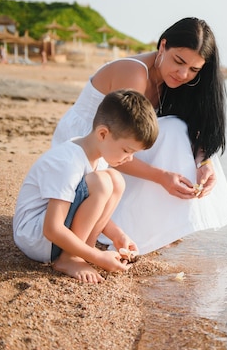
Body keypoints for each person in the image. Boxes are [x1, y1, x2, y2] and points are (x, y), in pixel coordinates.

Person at [52, 17, 227, 255]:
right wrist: (162, 177)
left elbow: (194, 128)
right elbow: (114, 144)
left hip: (120, 148)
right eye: (178, 61)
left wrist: (203, 162)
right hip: (85, 144)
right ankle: (130, 225)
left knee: (180, 129)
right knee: (173, 131)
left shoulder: (176, 83)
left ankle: (157, 225)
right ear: (162, 46)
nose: (182, 74)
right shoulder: (135, 73)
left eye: (193, 69)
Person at [13, 90, 159, 283]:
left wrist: (118, 235)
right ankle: (70, 258)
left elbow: (89, 206)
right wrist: (97, 257)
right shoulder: (68, 162)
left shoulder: (98, 156)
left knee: (116, 180)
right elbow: (52, 228)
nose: (129, 158)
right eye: (126, 150)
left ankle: (81, 252)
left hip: (51, 237)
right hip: (36, 238)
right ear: (103, 133)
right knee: (103, 182)